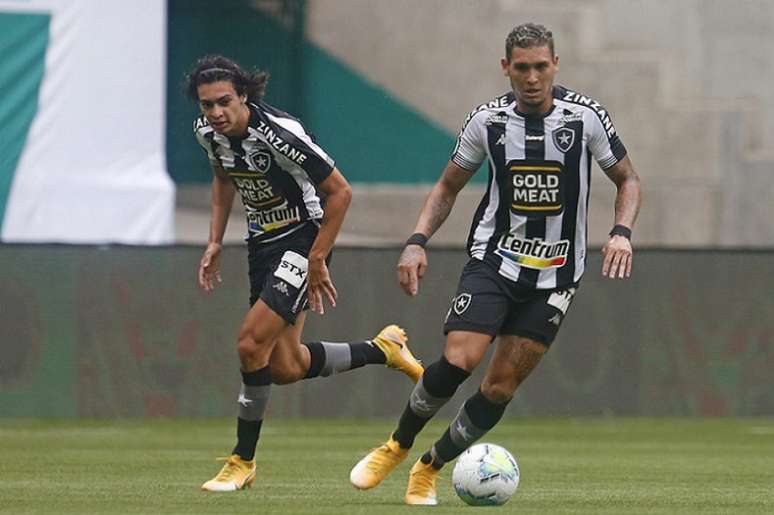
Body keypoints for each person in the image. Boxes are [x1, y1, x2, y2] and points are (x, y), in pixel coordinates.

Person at [349, 23, 641, 505]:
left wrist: (621, 233)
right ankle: (397, 445)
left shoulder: (585, 118)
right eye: (522, 68)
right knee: (460, 359)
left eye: (541, 66)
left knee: (500, 388)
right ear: (506, 68)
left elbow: (628, 180)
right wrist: (417, 241)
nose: (532, 77)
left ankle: (430, 467)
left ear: (556, 64)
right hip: (495, 262)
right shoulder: (487, 121)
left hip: (556, 277)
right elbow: (447, 186)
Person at [187, 55, 424, 492]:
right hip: (262, 244)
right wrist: (215, 240)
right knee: (284, 366)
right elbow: (223, 178)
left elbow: (340, 192)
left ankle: (242, 461)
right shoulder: (209, 134)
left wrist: (317, 257)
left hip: (303, 236)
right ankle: (383, 349)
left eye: (224, 102)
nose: (215, 113)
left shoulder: (279, 133)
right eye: (206, 105)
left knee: (249, 342)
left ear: (243, 95)